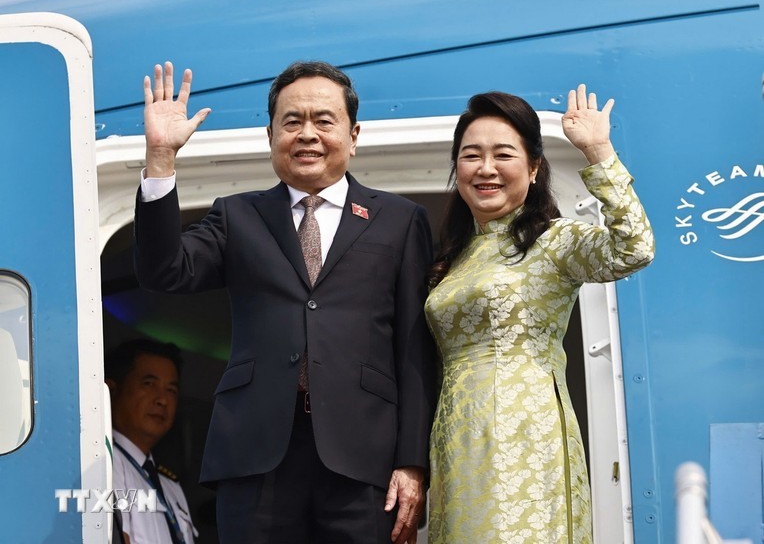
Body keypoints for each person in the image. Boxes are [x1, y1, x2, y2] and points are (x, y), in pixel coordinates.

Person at [133, 60, 437, 543]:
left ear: (353, 135)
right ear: (270, 134)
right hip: (256, 455)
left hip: (364, 460)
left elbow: (414, 348)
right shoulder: (237, 215)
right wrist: (161, 159)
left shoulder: (399, 220)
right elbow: (165, 271)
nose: (307, 134)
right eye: (292, 122)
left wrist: (411, 462)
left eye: (323, 120)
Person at [424, 85, 655, 543]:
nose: (486, 168)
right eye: (471, 155)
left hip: (522, 433)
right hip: (454, 435)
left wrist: (598, 152)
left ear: (533, 169)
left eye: (503, 155)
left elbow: (634, 248)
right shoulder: (456, 254)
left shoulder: (553, 241)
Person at [105, 338, 197, 544]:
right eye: (149, 384)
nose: (162, 400)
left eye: (171, 390)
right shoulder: (105, 463)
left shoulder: (170, 485)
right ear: (111, 390)